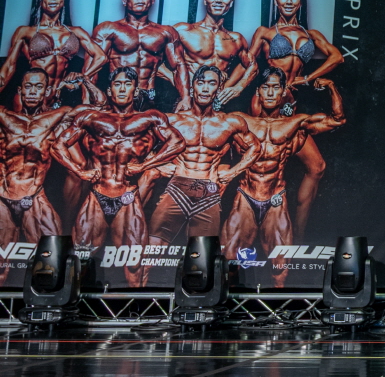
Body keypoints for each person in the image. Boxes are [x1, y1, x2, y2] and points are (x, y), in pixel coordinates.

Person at [52, 67, 183, 287]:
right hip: (97, 195)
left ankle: (135, 306)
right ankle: (76, 305)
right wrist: (79, 171)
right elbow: (58, 146)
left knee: (134, 265)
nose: (122, 89)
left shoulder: (150, 118)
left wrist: (144, 165)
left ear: (135, 90)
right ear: (109, 90)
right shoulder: (91, 118)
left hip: (127, 197)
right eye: (117, 84)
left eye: (127, 84)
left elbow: (177, 142)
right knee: (79, 261)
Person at [225, 68, 345, 287]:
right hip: (246, 196)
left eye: (275, 88)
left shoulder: (295, 124)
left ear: (283, 93)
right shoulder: (241, 121)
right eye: (266, 88)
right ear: (258, 92)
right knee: (230, 264)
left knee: (280, 270)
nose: (271, 93)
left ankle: (277, 308)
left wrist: (331, 87)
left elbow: (337, 119)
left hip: (275, 200)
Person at [246, 0, 343, 228]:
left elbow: (337, 57)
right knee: (261, 170)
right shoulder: (265, 32)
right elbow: (248, 65)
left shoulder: (311, 35)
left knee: (317, 167)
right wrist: (231, 87)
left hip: (290, 107)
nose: (289, 1)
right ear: (276, 1)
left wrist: (308, 78)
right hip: (265, 106)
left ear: (300, 2)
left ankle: (298, 236)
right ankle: (253, 228)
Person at [144, 65, 261, 251]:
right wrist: (156, 165)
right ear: (192, 87)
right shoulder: (173, 120)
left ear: (219, 88)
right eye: (201, 83)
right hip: (177, 188)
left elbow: (255, 147)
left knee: (202, 255)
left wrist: (233, 172)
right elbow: (140, 143)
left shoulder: (229, 123)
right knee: (153, 249)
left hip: (208, 193)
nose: (205, 88)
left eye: (211, 83)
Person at [0, 70, 72, 282]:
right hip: (3, 197)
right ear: (20, 90)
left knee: (52, 262)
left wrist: (83, 83)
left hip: (34, 196)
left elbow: (98, 108)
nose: (32, 92)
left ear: (47, 91)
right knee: (1, 268)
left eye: (38, 87)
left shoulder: (58, 116)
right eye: (28, 87)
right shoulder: (4, 117)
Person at [0, 0, 105, 108]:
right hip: (33, 96)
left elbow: (101, 57)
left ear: (64, 0)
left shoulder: (75, 32)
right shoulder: (26, 31)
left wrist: (82, 77)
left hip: (58, 97)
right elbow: (9, 67)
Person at [93, 0, 190, 112]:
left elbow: (179, 66)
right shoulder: (108, 29)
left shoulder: (166, 32)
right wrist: (87, 102)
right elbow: (93, 67)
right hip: (118, 97)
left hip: (149, 97)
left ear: (152, 0)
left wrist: (185, 98)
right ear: (124, 1)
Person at [174, 0, 254, 107]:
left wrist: (238, 88)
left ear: (231, 2)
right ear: (205, 0)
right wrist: (183, 86)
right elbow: (154, 61)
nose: (219, 0)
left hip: (217, 103)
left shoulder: (236, 39)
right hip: (189, 101)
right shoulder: (184, 31)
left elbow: (252, 65)